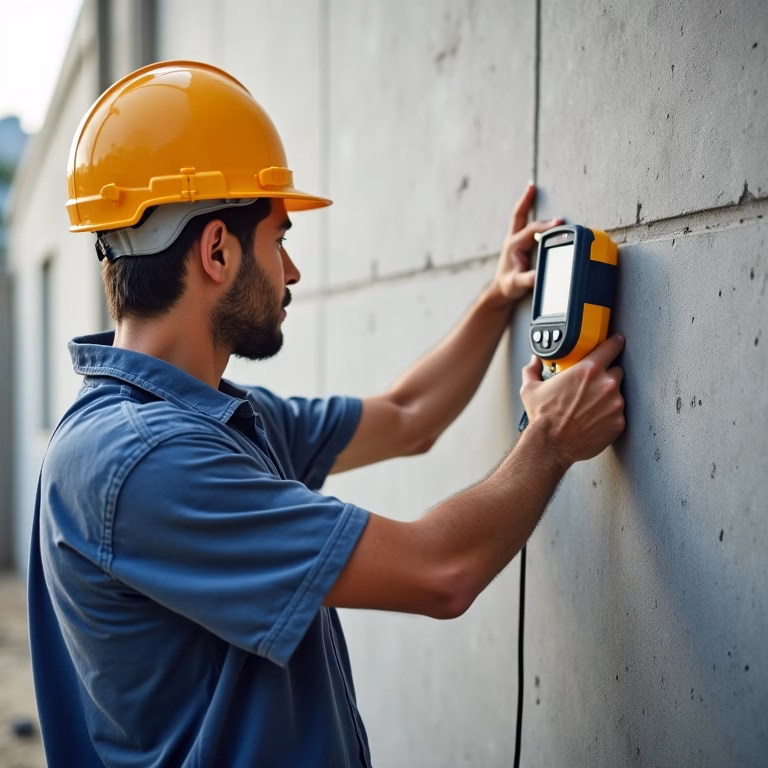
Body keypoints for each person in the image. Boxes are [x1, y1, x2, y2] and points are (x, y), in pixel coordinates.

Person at [28, 61, 625, 768]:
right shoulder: (144, 462)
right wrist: (550, 438)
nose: (293, 273)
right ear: (216, 250)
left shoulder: (207, 420)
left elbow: (408, 416)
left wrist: (498, 299)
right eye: (280, 241)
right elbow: (442, 571)